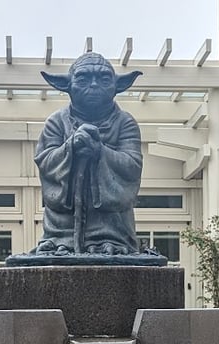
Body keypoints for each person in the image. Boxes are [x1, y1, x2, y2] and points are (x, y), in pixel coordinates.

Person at [33, 52, 144, 255]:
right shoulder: (56, 122)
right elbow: (45, 161)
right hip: (62, 227)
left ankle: (106, 239)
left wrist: (100, 152)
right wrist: (71, 148)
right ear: (66, 85)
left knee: (112, 248)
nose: (93, 85)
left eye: (103, 79)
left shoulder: (125, 122)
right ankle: (60, 239)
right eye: (84, 78)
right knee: (58, 248)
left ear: (117, 86)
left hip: (113, 230)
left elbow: (132, 165)